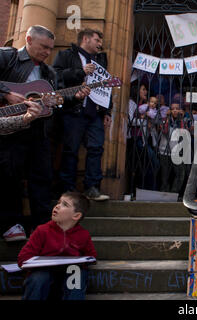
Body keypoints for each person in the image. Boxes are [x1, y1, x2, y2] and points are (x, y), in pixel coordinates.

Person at [0, 25, 90, 241]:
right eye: (43, 47)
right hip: (9, 131)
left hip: (38, 132)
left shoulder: (48, 72)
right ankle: (12, 225)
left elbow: (57, 101)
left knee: (41, 178)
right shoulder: (7, 57)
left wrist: (73, 97)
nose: (47, 52)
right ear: (29, 40)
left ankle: (42, 228)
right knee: (9, 177)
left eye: (50, 49)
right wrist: (6, 93)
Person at [52, 28, 111, 201]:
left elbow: (105, 87)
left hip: (94, 113)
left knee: (96, 148)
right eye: (97, 40)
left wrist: (107, 111)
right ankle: (67, 189)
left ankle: (92, 187)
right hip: (73, 111)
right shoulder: (66, 55)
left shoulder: (100, 60)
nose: (100, 44)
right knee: (70, 149)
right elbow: (55, 76)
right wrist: (80, 72)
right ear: (85, 39)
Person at [18, 191, 96, 300]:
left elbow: (91, 256)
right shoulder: (42, 230)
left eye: (64, 204)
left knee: (77, 273)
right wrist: (40, 263)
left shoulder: (83, 235)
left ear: (76, 215)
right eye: (58, 202)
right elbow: (23, 258)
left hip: (68, 275)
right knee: (39, 277)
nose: (57, 206)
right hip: (44, 274)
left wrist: (80, 262)